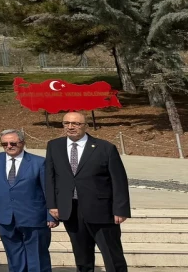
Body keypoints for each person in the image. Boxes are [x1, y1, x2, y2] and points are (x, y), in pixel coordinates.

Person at [44, 112, 130, 272]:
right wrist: (52, 204)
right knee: (82, 256)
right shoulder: (54, 146)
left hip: (102, 211)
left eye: (76, 123)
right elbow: (50, 177)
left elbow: (119, 181)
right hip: (70, 210)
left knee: (112, 255)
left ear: (86, 126)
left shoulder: (105, 148)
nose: (70, 127)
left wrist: (120, 209)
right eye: (66, 123)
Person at [0, 129, 52, 272]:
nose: (8, 146)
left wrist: (51, 215)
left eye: (13, 143)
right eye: (4, 143)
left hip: (34, 218)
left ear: (22, 143)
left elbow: (48, 190)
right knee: (14, 257)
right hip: (5, 218)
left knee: (38, 257)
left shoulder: (39, 162)